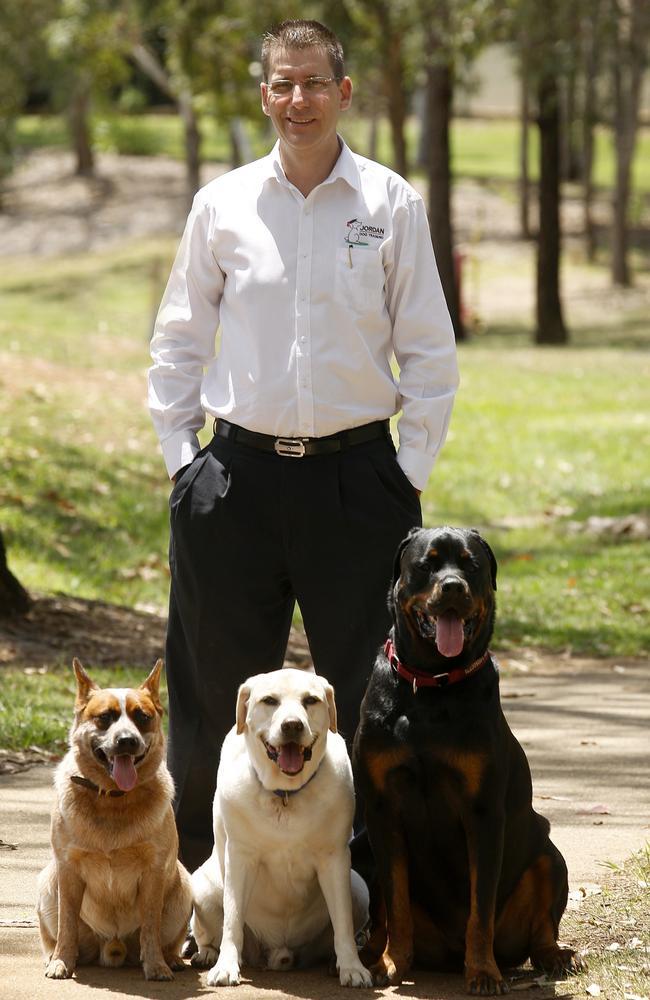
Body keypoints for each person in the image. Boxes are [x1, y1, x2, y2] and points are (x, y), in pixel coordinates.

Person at [148, 18, 459, 873]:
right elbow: (178, 340)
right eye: (282, 84)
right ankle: (206, 900)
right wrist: (185, 464)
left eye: (314, 82)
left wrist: (407, 474)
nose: (297, 100)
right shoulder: (223, 205)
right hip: (233, 480)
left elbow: (430, 352)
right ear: (264, 93)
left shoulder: (390, 203)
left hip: (360, 483)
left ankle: (366, 901)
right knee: (217, 697)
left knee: (369, 700)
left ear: (344, 91)